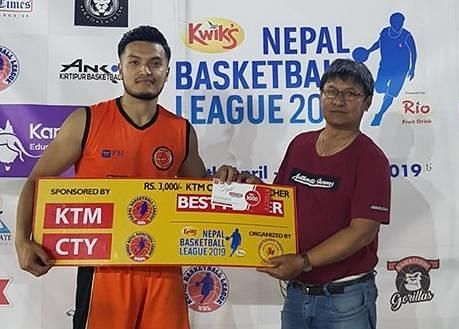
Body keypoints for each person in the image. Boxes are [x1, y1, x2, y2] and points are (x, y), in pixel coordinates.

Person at [15, 25, 206, 329]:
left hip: (164, 269)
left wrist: (230, 185)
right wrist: (22, 240)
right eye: (134, 62)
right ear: (119, 69)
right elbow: (36, 182)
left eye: (155, 63)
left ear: (167, 71)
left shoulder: (181, 130)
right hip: (105, 268)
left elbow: (202, 195)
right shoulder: (86, 121)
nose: (145, 70)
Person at [217, 58, 391, 329]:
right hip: (298, 295)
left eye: (351, 93)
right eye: (331, 91)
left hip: (345, 298)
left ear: (367, 102)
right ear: (321, 96)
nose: (339, 100)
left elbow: (362, 232)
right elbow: (280, 201)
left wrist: (304, 261)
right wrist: (244, 186)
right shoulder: (301, 144)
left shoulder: (371, 159)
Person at [353, 12, 417, 126]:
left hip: (401, 69)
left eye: (400, 22)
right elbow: (379, 43)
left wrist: (412, 68)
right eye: (395, 22)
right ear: (391, 22)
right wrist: (369, 51)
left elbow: (413, 51)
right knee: (378, 88)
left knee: (391, 94)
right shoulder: (385, 32)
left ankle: (380, 115)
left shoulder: (406, 35)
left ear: (403, 23)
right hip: (386, 66)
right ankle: (389, 93)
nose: (398, 24)